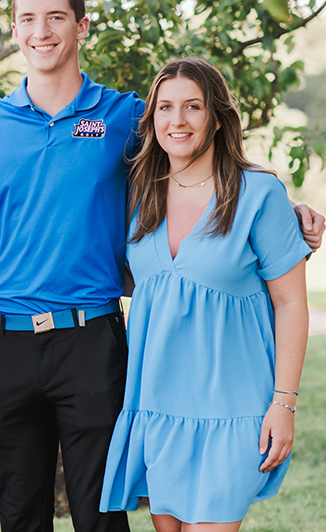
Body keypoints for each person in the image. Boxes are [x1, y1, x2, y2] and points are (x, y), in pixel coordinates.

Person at [0, 0, 324, 532]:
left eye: (55, 17)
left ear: (81, 26)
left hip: (93, 341)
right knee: (19, 517)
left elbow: (193, 156)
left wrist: (281, 209)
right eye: (27, 19)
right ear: (13, 31)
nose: (40, 31)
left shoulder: (125, 116)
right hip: (6, 346)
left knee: (102, 518)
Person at [99, 57, 310, 531]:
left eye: (193, 106)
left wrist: (284, 402)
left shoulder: (258, 194)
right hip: (157, 407)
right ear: (151, 120)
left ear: (216, 116)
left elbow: (292, 303)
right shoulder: (139, 194)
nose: (178, 121)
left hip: (232, 410)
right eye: (165, 108)